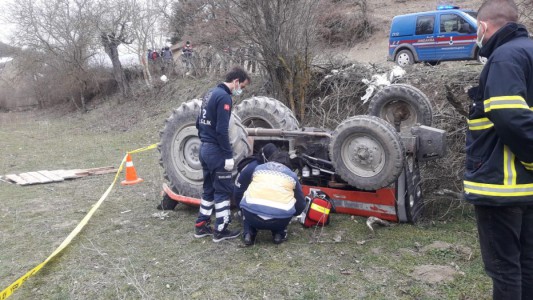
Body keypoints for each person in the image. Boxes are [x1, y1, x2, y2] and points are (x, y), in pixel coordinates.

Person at [464, 0, 533, 298]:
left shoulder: (505, 58)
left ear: (482, 26)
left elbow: (510, 117)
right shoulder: (527, 52)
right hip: (527, 189)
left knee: (504, 268)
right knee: (527, 263)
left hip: (501, 185)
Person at [194, 66, 251, 242]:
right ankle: (220, 230)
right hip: (216, 151)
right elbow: (221, 130)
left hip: (204, 148)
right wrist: (227, 155)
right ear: (236, 81)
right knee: (222, 190)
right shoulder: (225, 97)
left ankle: (201, 225)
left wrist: (205, 140)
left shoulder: (210, 93)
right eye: (242, 86)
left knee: (209, 188)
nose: (241, 89)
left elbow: (198, 122)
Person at [239, 150, 306, 246]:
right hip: (279, 219)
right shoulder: (292, 175)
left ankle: (248, 233)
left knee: (249, 199)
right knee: (284, 206)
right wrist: (294, 214)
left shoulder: (258, 169)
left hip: (251, 215)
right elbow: (301, 202)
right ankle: (279, 234)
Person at [233, 143, 279, 207]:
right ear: (266, 156)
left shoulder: (256, 161)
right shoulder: (257, 169)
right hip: (242, 201)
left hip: (242, 195)